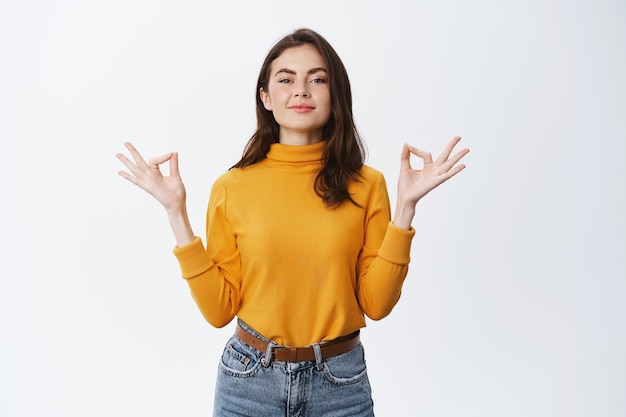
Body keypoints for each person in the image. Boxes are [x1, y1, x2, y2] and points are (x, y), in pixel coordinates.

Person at [116, 28, 468, 417]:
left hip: (340, 384)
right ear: (265, 97)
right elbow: (219, 311)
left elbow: (377, 304)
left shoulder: (368, 185)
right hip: (248, 381)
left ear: (336, 96)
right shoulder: (232, 187)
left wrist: (405, 209)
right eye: (286, 79)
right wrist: (175, 212)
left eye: (317, 79)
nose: (301, 91)